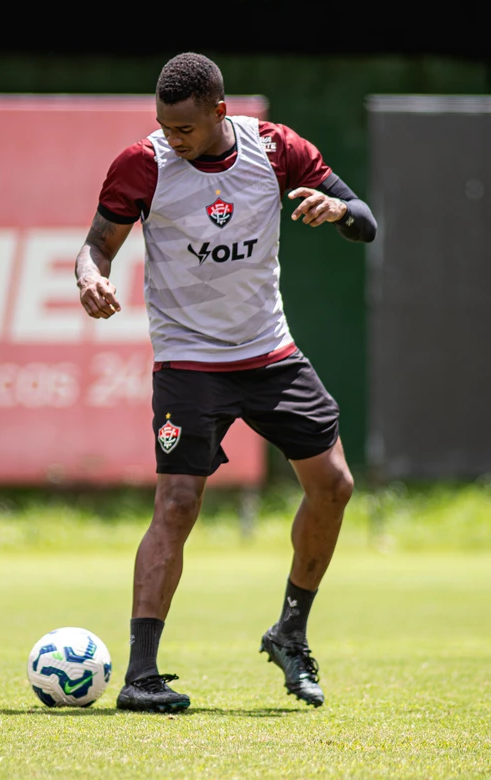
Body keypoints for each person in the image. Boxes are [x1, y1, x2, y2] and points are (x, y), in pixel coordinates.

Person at [74, 52, 377, 713]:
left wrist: (338, 210)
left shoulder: (274, 150)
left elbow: (367, 220)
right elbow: (97, 244)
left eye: (183, 129)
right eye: (162, 126)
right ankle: (140, 676)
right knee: (178, 503)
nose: (170, 139)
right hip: (189, 362)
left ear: (219, 112)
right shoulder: (143, 164)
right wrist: (90, 276)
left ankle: (290, 632)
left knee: (335, 485)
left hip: (268, 353)